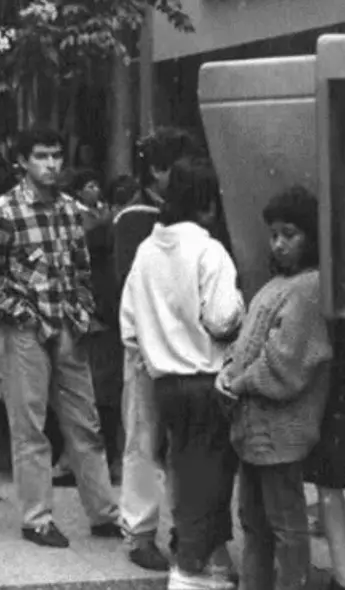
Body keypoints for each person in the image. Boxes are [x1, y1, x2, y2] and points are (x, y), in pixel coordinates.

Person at [0, 126, 121, 548]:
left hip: (68, 331)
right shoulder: (2, 211)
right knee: (30, 429)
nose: (52, 164)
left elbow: (81, 271)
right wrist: (32, 320)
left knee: (86, 425)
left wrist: (77, 317)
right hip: (25, 333)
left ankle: (104, 514)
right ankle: (36, 518)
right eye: (41, 156)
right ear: (22, 161)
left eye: (57, 156)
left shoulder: (68, 209)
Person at [120, 156, 244, 589]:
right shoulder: (210, 251)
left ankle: (214, 565)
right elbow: (224, 318)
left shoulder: (146, 251)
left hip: (163, 383)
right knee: (208, 483)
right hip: (208, 381)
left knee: (184, 473)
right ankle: (189, 571)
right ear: (208, 203)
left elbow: (129, 325)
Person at [215, 185, 333, 590]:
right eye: (275, 235)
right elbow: (244, 341)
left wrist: (236, 380)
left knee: (284, 526)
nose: (280, 244)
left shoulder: (310, 287)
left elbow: (284, 363)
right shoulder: (277, 284)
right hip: (253, 428)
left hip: (281, 431)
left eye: (290, 234)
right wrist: (228, 369)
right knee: (254, 523)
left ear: (312, 237)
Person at [116, 127, 204, 571]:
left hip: (182, 358)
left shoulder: (188, 225)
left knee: (178, 448)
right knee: (145, 444)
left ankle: (177, 527)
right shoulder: (136, 220)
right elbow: (133, 294)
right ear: (156, 170)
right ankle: (140, 531)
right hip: (150, 356)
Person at [304, 321, 345, 590]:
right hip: (330, 375)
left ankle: (337, 571)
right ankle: (341, 572)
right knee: (327, 483)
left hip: (321, 376)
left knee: (320, 481)